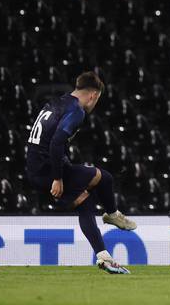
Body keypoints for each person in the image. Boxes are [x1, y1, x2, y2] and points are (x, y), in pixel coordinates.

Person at [25, 72, 137, 274]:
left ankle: (104, 257)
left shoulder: (56, 102)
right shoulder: (77, 111)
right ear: (93, 95)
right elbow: (56, 143)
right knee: (104, 177)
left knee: (85, 202)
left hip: (34, 167)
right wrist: (58, 178)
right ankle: (112, 214)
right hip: (47, 169)